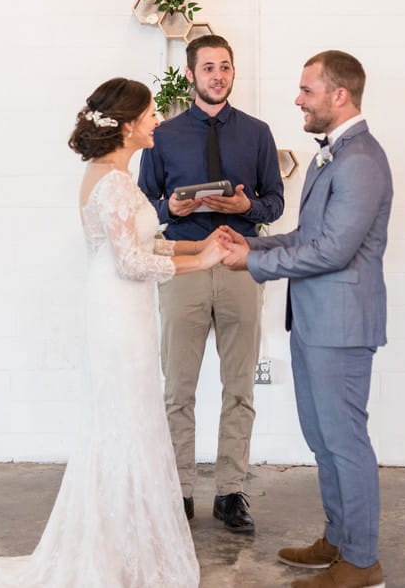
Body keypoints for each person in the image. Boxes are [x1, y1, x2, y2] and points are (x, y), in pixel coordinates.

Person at [0, 77, 227, 588]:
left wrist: (199, 246)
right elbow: (133, 262)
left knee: (132, 420)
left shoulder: (112, 174)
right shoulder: (113, 182)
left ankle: (124, 544)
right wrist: (202, 260)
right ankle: (112, 551)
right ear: (128, 124)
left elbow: (148, 247)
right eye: (151, 114)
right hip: (117, 311)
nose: (158, 121)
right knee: (123, 421)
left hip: (122, 306)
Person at [220, 51, 391, 588]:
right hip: (316, 323)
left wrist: (252, 262)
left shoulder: (360, 160)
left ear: (339, 95)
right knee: (322, 438)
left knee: (345, 442)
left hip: (341, 327)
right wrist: (249, 239)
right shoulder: (334, 157)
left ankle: (362, 561)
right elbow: (309, 235)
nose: (298, 99)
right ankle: (338, 539)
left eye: (307, 90)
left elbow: (333, 252)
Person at [138, 35, 284, 534]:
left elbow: (275, 203)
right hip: (184, 268)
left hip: (242, 265)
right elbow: (142, 207)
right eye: (208, 68)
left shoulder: (258, 133)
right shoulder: (165, 135)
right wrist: (170, 208)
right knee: (178, 388)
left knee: (240, 386)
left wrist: (246, 208)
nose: (217, 75)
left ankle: (230, 492)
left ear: (232, 72)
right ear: (192, 74)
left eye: (225, 67)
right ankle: (179, 491)